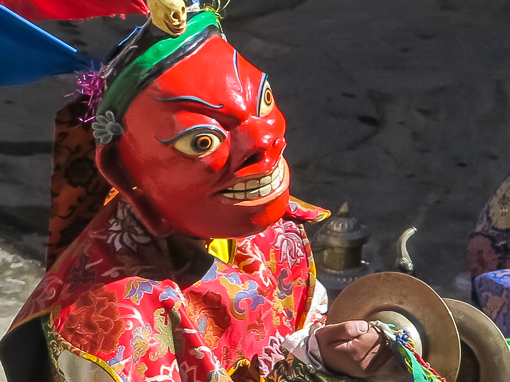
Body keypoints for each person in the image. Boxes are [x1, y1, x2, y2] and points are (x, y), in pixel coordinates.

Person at [0, 3, 407, 382]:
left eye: (263, 101)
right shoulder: (111, 324)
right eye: (202, 141)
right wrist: (308, 368)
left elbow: (301, 328)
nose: (265, 141)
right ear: (125, 176)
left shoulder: (274, 234)